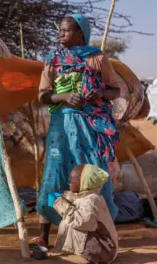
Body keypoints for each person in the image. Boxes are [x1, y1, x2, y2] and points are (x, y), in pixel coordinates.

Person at [34, 14, 120, 246]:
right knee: (55, 174)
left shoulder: (97, 58)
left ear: (80, 33)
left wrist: (100, 93)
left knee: (90, 174)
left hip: (90, 127)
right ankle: (43, 235)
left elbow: (115, 90)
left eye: (66, 30)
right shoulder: (53, 60)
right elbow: (43, 95)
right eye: (60, 30)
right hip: (61, 126)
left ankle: (98, 234)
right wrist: (63, 97)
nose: (60, 34)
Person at [53, 164, 118, 263]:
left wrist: (62, 205)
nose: (70, 183)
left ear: (83, 183)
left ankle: (89, 256)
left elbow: (81, 222)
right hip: (106, 247)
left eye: (72, 181)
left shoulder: (92, 200)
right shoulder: (88, 195)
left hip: (105, 251)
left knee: (70, 222)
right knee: (68, 219)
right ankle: (83, 253)